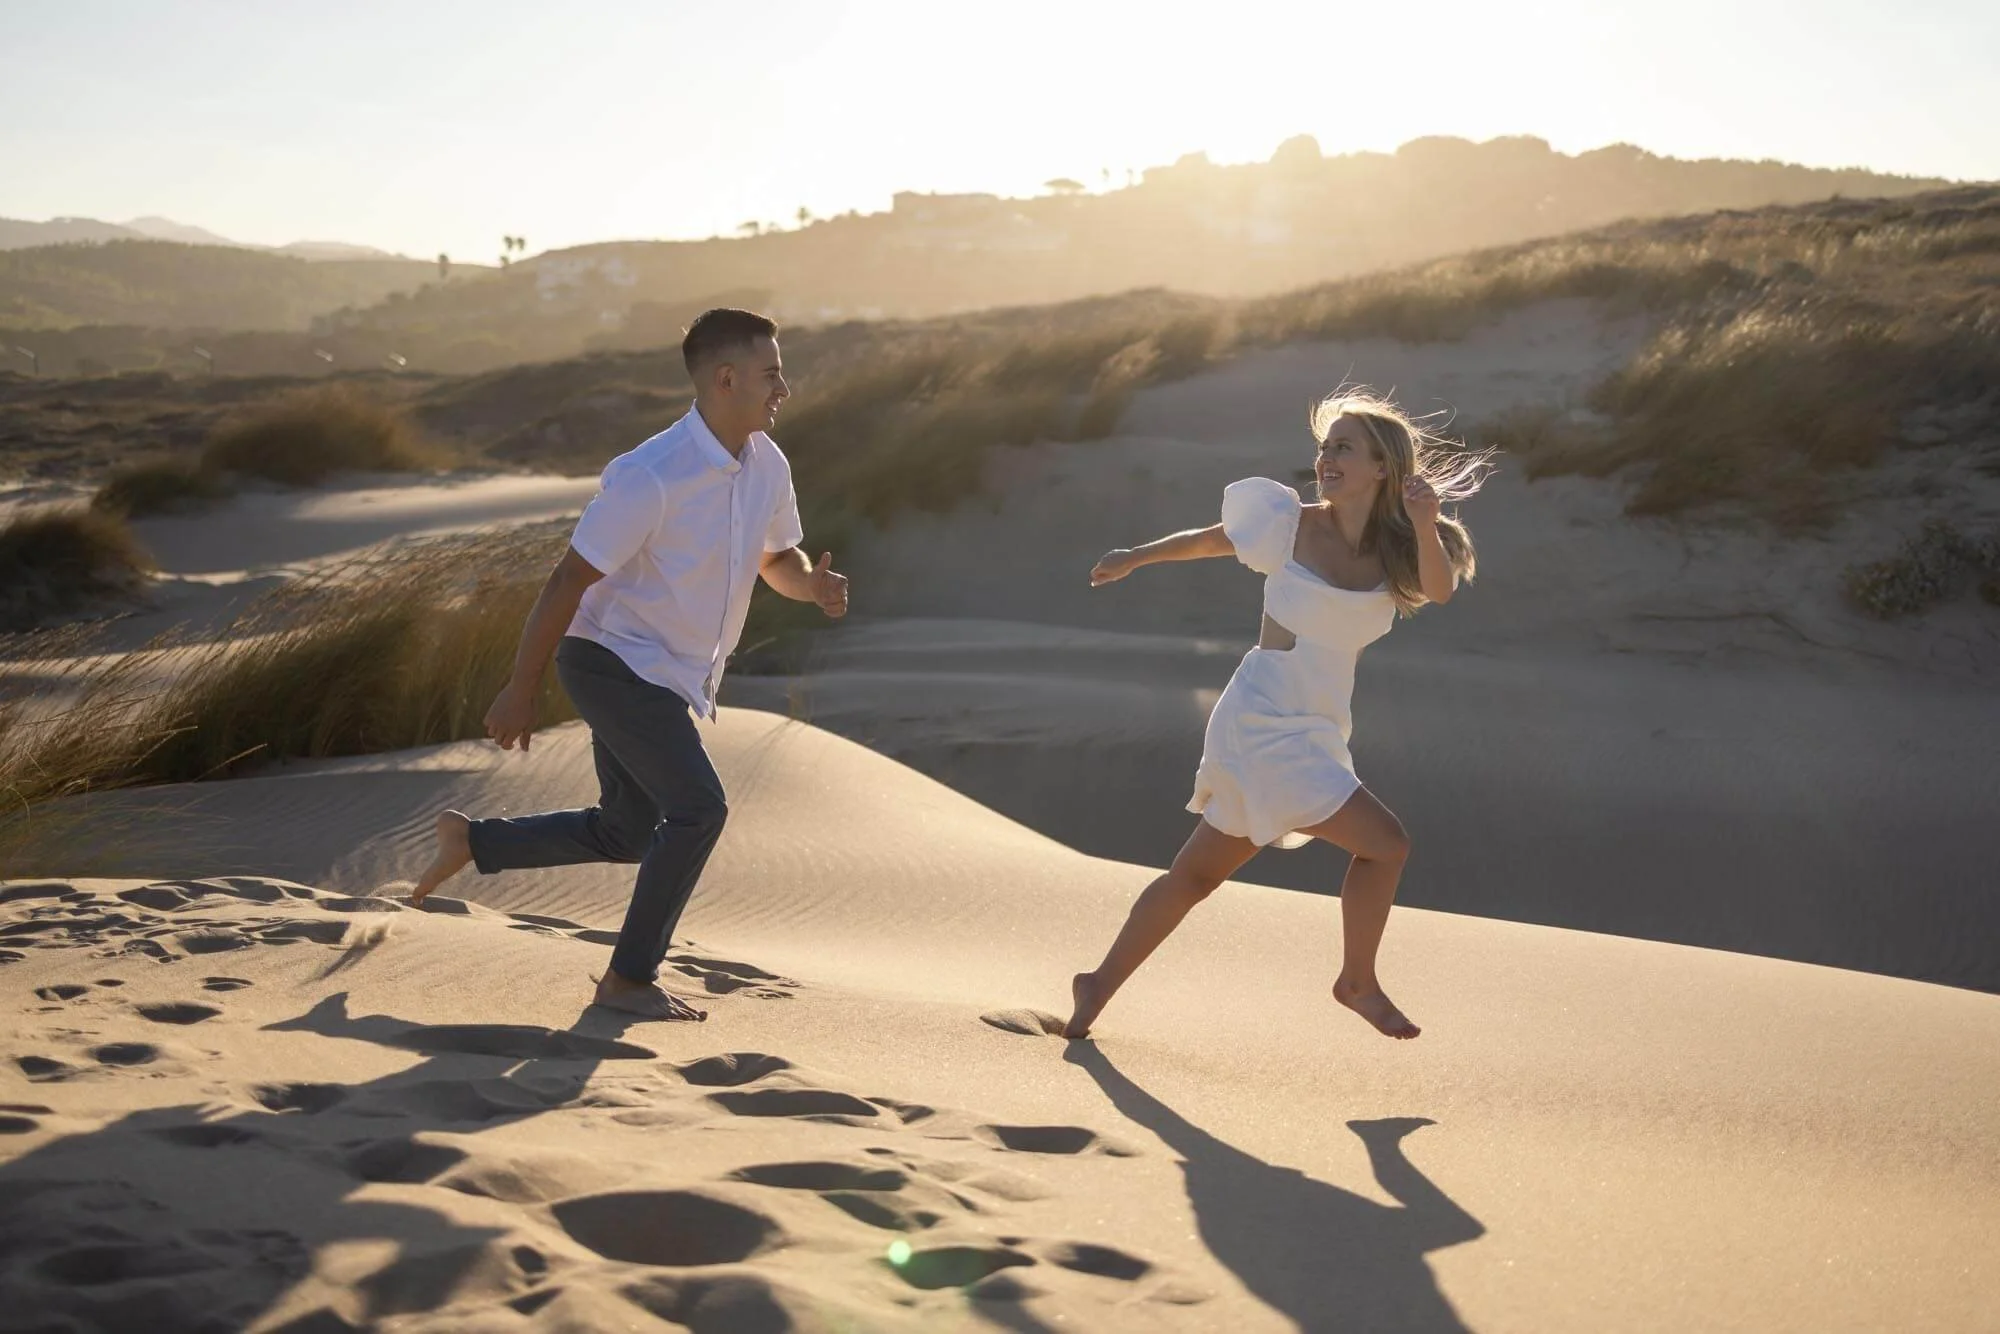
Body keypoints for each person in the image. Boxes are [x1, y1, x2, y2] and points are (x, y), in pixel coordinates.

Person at [408, 308, 848, 1020]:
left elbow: (776, 559)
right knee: (699, 809)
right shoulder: (652, 475)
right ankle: (629, 981)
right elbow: (566, 582)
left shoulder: (767, 463)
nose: (784, 388)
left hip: (669, 674)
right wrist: (520, 689)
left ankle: (472, 841)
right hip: (609, 660)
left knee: (629, 830)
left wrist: (813, 585)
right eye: (772, 373)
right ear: (726, 378)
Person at [1064, 391, 1491, 1041]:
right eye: (1324, 446)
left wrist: (1427, 523)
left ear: (1383, 468)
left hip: (1316, 726)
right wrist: (1137, 556)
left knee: (1197, 876)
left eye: (1344, 447)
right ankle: (1357, 982)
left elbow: (1439, 589)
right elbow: (1209, 540)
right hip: (1264, 717)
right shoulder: (1288, 522)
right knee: (1387, 844)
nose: (1326, 458)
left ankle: (1098, 984)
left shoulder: (1397, 550)